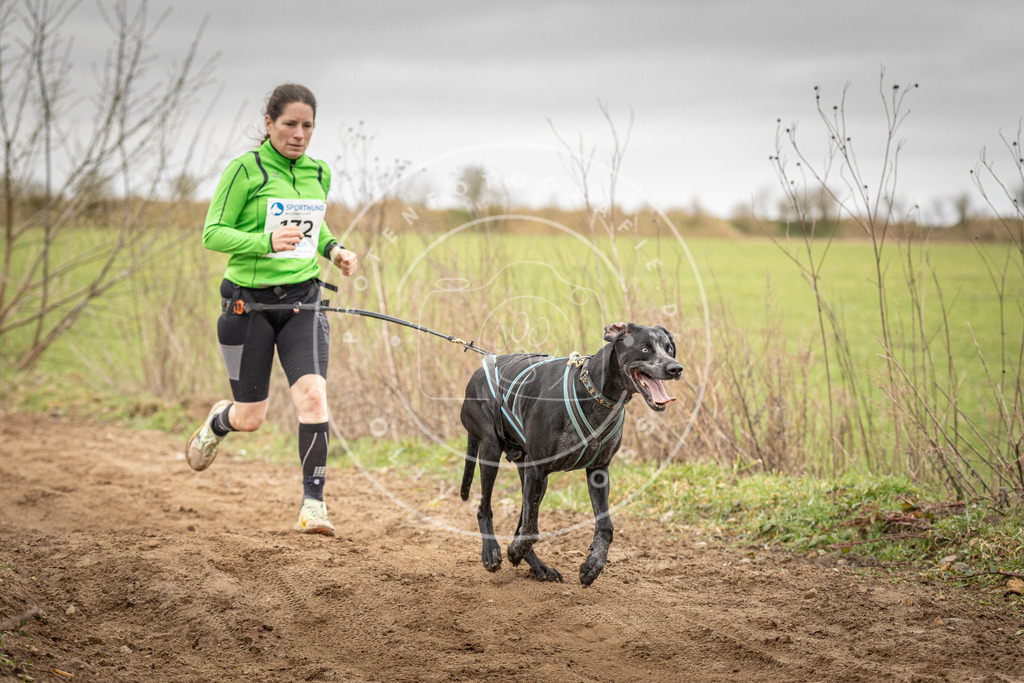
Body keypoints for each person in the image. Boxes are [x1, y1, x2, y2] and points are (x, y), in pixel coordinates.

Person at [186, 83, 358, 537]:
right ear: (269, 124)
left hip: (302, 302)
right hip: (248, 305)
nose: (299, 134)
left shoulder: (319, 173)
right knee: (252, 418)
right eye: (289, 124)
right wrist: (264, 242)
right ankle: (219, 421)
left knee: (313, 397)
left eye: (307, 126)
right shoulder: (245, 170)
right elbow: (213, 233)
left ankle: (313, 505)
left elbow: (313, 229)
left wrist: (334, 249)